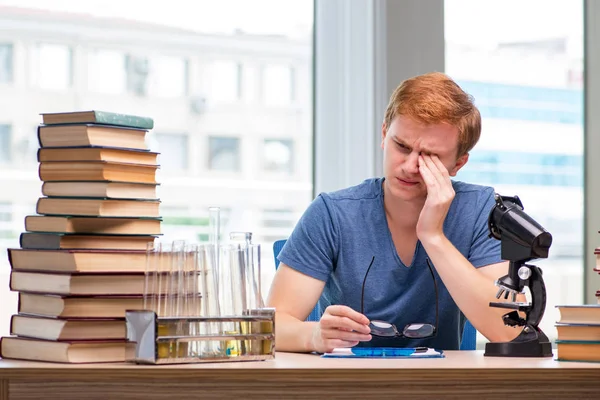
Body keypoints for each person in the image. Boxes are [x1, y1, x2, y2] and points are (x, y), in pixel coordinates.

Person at [266, 71, 523, 353]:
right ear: (384, 134)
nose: (410, 166)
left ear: (458, 164)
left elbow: (508, 330)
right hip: (349, 383)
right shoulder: (332, 213)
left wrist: (433, 236)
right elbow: (272, 327)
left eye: (431, 156)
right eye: (401, 146)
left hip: (441, 387)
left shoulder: (481, 210)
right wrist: (313, 335)